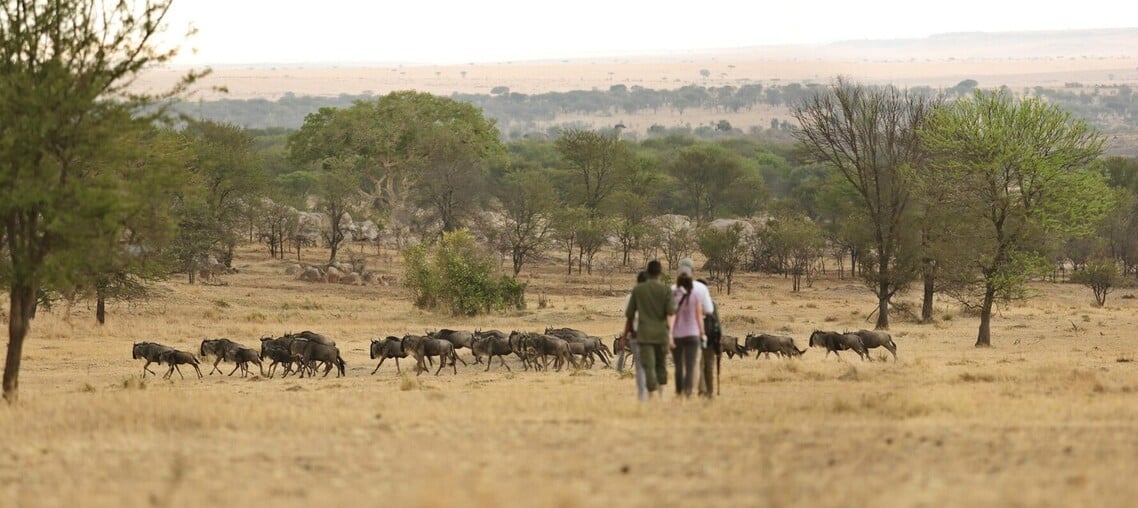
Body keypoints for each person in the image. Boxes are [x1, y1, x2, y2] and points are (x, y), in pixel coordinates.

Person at [624, 260, 676, 399]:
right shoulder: (666, 290)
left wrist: (625, 336)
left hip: (644, 335)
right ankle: (662, 394)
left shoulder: (638, 290)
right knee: (661, 364)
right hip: (661, 334)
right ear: (660, 272)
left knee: (649, 366)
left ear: (648, 272)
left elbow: (630, 314)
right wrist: (670, 334)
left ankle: (651, 397)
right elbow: (670, 313)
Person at [670, 264, 704, 397]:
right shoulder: (696, 293)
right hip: (692, 334)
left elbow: (670, 315)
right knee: (690, 365)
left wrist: (669, 334)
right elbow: (699, 316)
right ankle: (688, 391)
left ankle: (679, 391)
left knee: (678, 365)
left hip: (677, 334)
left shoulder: (672, 292)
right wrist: (702, 333)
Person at [616, 271, 649, 401]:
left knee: (640, 367)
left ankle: (643, 396)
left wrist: (624, 337)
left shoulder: (631, 297)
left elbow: (629, 319)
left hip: (638, 335)